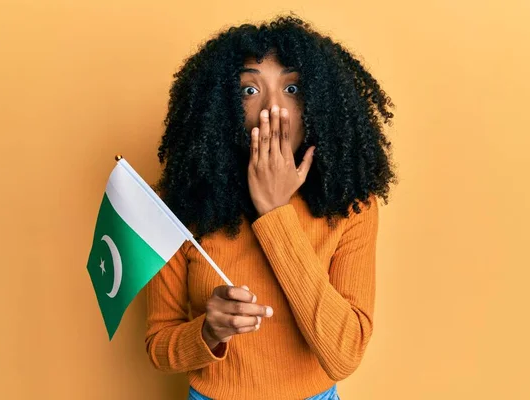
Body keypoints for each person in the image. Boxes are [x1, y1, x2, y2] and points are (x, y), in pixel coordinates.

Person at [145, 13, 397, 400]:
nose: (272, 109)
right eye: (249, 90)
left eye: (292, 88)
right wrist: (208, 332)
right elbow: (158, 348)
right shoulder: (180, 207)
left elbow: (344, 355)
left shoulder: (353, 206)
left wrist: (274, 212)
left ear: (318, 103)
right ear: (222, 108)